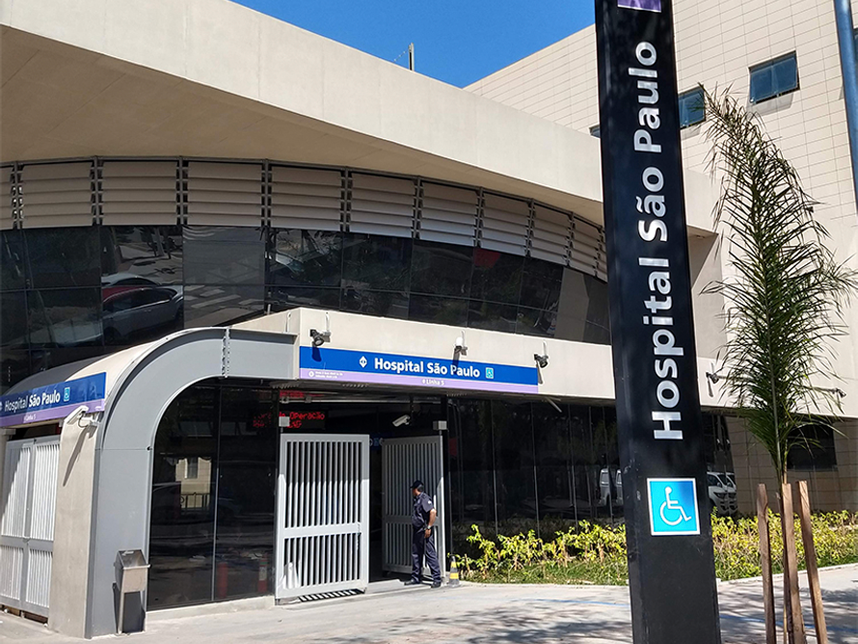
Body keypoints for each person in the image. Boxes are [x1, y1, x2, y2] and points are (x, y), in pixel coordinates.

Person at [403, 480, 442, 588]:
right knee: (416, 554)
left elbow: (433, 512)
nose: (412, 491)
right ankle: (416, 577)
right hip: (417, 530)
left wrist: (429, 527)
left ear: (416, 489)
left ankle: (437, 579)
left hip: (424, 530)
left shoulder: (424, 499)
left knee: (430, 554)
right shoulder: (417, 499)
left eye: (413, 489)